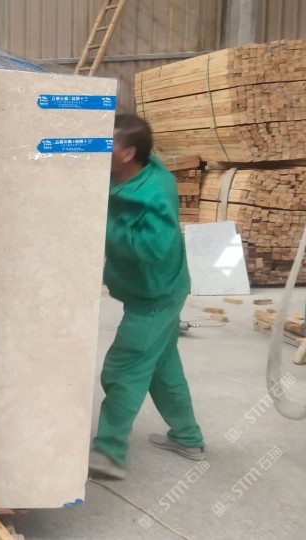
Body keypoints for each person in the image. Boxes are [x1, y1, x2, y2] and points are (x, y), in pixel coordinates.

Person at [88, 114, 205, 480]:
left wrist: (100, 225)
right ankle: (187, 438)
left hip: (156, 297)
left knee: (124, 368)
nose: (98, 148)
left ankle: (109, 453)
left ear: (128, 154)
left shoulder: (153, 194)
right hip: (151, 291)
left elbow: (156, 249)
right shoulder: (127, 170)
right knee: (162, 368)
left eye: (106, 144)